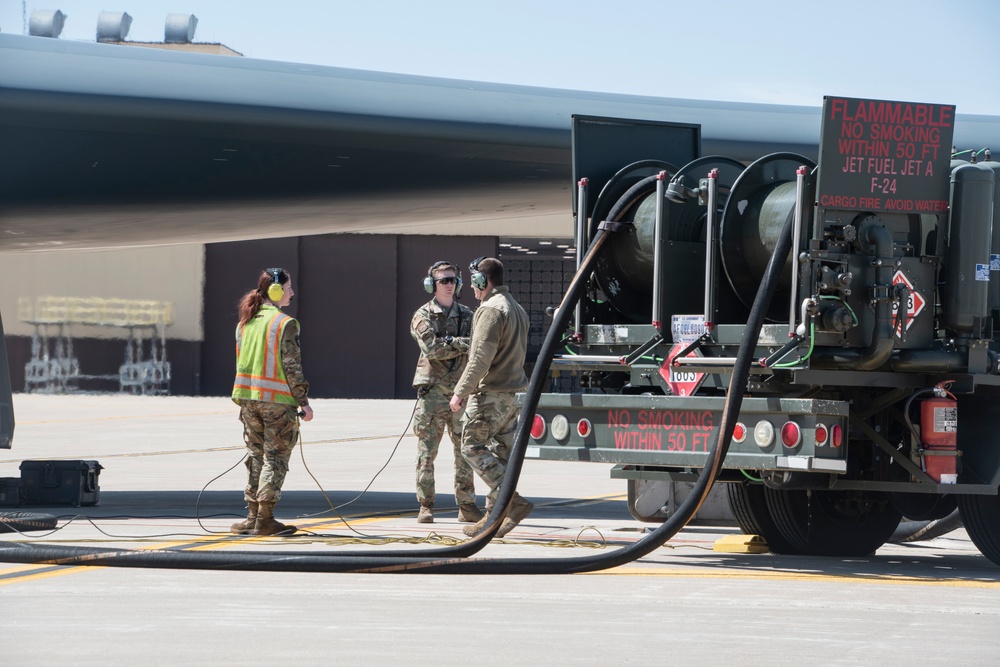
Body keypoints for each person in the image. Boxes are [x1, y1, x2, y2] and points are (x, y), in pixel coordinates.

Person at [449, 256, 531, 538]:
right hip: (512, 395)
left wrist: (460, 391)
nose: (471, 287)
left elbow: (480, 359)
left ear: (482, 281)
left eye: (473, 281)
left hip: (490, 395)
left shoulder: (491, 310)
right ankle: (495, 517)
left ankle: (512, 502)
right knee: (503, 456)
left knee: (471, 446)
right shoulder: (517, 308)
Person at [231, 268, 314, 536]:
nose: (291, 292)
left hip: (248, 400)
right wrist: (304, 402)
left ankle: (252, 515)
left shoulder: (245, 322)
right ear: (276, 291)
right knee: (275, 458)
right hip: (276, 401)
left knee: (256, 456)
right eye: (288, 288)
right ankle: (265, 518)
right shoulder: (284, 323)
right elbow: (292, 367)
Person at [410, 261, 483, 524]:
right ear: (432, 285)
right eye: (443, 281)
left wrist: (452, 342)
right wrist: (461, 344)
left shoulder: (468, 314)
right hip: (432, 393)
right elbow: (432, 350)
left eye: (452, 280)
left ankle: (466, 505)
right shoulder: (422, 315)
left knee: (465, 450)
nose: (449, 285)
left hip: (461, 392)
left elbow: (478, 345)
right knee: (427, 452)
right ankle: (425, 505)